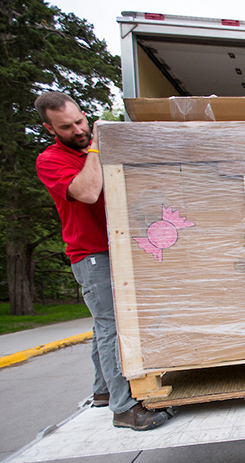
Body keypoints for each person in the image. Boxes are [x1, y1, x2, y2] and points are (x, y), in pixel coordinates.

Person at [35, 91, 168, 431]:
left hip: (120, 247)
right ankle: (124, 409)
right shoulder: (51, 160)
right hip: (91, 254)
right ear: (51, 129)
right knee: (112, 327)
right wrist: (95, 145)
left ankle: (102, 392)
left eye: (80, 121)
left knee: (103, 326)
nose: (78, 130)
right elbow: (89, 191)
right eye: (67, 127)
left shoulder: (97, 147)